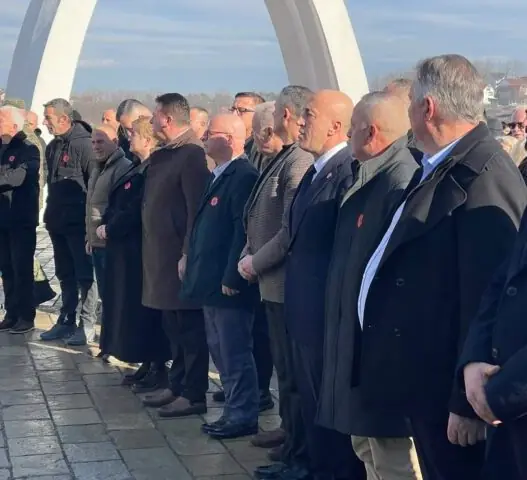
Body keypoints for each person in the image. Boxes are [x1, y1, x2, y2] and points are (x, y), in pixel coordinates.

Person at [354, 54, 527, 480]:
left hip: (451, 390)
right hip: (426, 381)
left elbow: (491, 292)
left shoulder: (483, 175)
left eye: (410, 100)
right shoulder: (440, 165)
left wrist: (464, 402)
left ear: (427, 108)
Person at [318, 91, 422, 480]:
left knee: (391, 456)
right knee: (366, 447)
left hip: (378, 354)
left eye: (352, 128)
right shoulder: (371, 174)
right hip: (355, 346)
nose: (347, 135)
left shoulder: (399, 180)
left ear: (371, 132)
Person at [282, 89, 365, 480]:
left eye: (309, 115)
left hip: (324, 317)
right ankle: (313, 467)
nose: (300, 121)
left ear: (335, 125)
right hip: (304, 313)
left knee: (327, 409)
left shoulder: (346, 171)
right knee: (309, 400)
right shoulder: (316, 171)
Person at [238, 85, 313, 478]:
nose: (258, 138)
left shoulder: (297, 162)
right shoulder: (280, 159)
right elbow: (258, 216)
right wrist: (247, 253)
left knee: (292, 374)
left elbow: (288, 230)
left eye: (261, 130)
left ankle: (297, 447)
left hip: (283, 283)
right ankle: (289, 434)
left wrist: (255, 261)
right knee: (283, 371)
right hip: (269, 281)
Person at [181, 114, 260, 439]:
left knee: (234, 351)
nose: (203, 139)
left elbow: (241, 231)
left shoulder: (243, 176)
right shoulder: (219, 174)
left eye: (209, 134)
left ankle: (242, 414)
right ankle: (232, 408)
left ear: (228, 138)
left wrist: (232, 277)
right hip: (210, 282)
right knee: (220, 349)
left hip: (227, 285)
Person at [141, 93, 210, 418]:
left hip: (178, 259)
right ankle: (177, 384)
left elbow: (196, 210)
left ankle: (193, 393)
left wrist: (187, 253)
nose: (151, 121)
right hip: (160, 257)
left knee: (189, 328)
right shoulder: (165, 154)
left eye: (155, 115)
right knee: (173, 326)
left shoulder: (192, 154)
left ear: (167, 118)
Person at [211, 103, 277, 417]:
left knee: (245, 344)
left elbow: (246, 227)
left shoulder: (247, 171)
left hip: (258, 270)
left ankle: (249, 402)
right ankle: (243, 398)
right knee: (231, 344)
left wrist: (236, 272)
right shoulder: (254, 163)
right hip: (247, 266)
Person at [97, 116, 170, 390]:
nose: (128, 139)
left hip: (140, 250)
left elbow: (137, 207)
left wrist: (112, 227)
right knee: (134, 309)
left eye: (133, 134)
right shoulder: (139, 167)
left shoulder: (153, 170)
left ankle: (157, 365)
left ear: (148, 139)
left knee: (147, 311)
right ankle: (147, 363)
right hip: (126, 250)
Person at [40, 98, 98, 346]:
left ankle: (87, 324)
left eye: (49, 118)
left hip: (78, 225)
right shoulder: (53, 146)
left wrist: (91, 225)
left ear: (64, 119)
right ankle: (66, 319)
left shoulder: (84, 145)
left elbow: (94, 186)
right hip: (57, 222)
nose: (45, 122)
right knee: (65, 273)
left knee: (84, 275)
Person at [86, 124, 131, 355]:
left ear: (115, 141)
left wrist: (106, 232)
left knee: (115, 298)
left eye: (101, 141)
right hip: (97, 242)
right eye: (93, 142)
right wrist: (89, 236)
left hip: (110, 242)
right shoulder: (98, 167)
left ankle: (117, 344)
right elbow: (92, 205)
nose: (96, 146)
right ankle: (108, 343)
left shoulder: (122, 167)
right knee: (106, 296)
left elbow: (116, 207)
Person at [0, 105, 40, 333]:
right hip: (2, 219)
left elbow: (19, 176)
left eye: (1, 120)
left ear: (14, 125)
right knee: (6, 268)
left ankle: (26, 315)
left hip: (21, 219)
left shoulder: (28, 148)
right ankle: (11, 313)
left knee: (21, 268)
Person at [230, 92, 267, 170]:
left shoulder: (264, 149)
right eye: (233, 109)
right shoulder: (226, 144)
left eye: (241, 110)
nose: (234, 114)